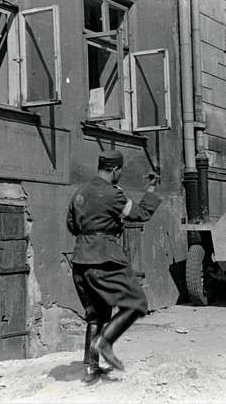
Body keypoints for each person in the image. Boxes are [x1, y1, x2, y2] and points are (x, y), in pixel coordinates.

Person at [67, 149, 161, 385]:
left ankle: (90, 369)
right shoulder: (113, 194)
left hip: (79, 259)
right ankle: (105, 341)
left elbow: (71, 225)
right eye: (120, 171)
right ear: (115, 170)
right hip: (104, 258)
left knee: (96, 314)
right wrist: (150, 190)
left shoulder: (79, 193)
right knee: (136, 303)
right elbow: (139, 214)